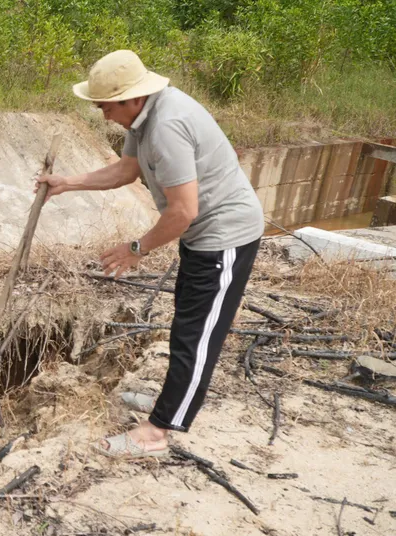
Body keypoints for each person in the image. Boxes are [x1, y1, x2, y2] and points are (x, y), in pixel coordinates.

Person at [35, 50, 265, 458]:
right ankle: (172, 401)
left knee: (197, 336)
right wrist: (67, 183)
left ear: (132, 98)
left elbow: (183, 211)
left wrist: (136, 249)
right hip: (202, 235)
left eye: (106, 106)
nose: (104, 115)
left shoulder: (166, 127)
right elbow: (126, 170)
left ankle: (157, 432)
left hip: (225, 236)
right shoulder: (144, 118)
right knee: (187, 323)